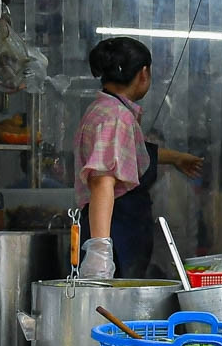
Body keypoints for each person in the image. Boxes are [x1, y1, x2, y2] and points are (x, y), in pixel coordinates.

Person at [75, 37, 203, 279]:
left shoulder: (105, 109)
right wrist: (100, 251)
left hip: (120, 229)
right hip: (116, 231)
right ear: (144, 73)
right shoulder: (116, 117)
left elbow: (128, 153)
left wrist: (175, 158)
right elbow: (103, 181)